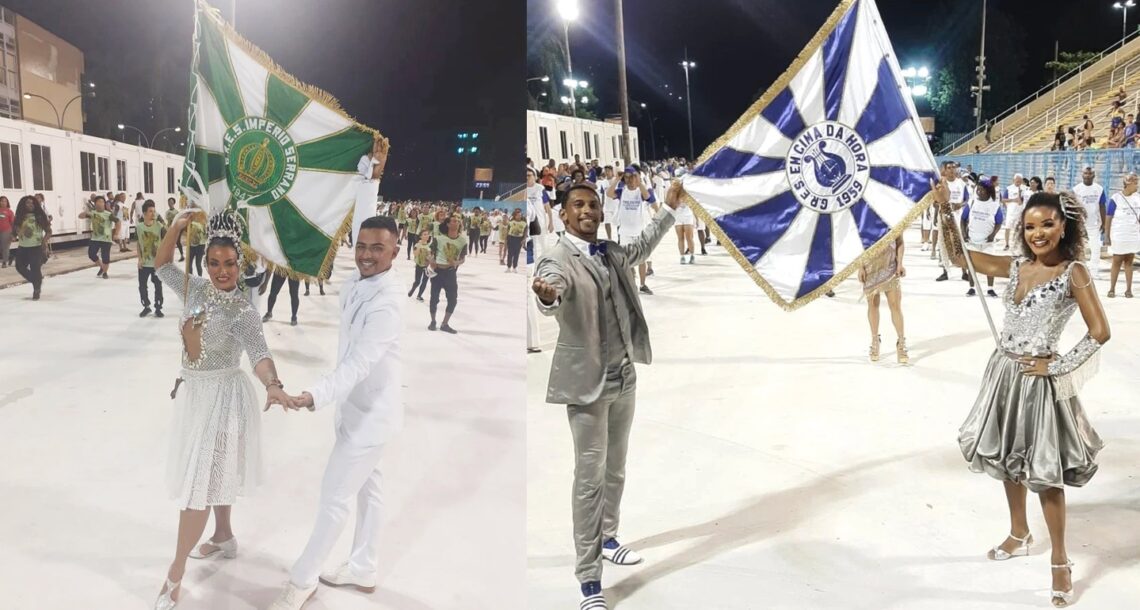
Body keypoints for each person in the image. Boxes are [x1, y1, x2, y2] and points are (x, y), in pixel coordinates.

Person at [942, 179, 1109, 609]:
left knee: (1045, 474)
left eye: (1047, 224)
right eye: (1031, 226)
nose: (1038, 234)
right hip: (1004, 375)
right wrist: (945, 211)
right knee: (1007, 460)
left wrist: (1056, 366)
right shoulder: (1016, 267)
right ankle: (1020, 532)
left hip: (1039, 384)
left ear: (1064, 227)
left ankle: (1059, 560)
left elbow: (1100, 332)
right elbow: (960, 256)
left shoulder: (1075, 272)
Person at [531, 180, 681, 610]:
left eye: (593, 205)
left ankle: (609, 536)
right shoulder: (557, 258)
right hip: (587, 387)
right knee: (589, 480)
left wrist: (668, 211)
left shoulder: (611, 252)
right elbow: (551, 288)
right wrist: (547, 297)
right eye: (577, 205)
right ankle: (589, 580)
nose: (588, 211)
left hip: (623, 377)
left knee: (616, 467)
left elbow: (641, 248)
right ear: (562, 214)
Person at [151, 209, 289, 610]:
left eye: (229, 263)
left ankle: (174, 576)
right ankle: (224, 537)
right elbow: (160, 265)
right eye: (214, 262)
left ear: (240, 263)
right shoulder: (194, 290)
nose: (222, 271)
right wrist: (176, 227)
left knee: (199, 488)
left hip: (225, 401)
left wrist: (274, 384)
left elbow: (260, 354)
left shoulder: (243, 311)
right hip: (196, 396)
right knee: (215, 474)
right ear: (205, 262)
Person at [266, 216, 403, 610]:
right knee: (370, 491)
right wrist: (369, 177)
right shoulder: (358, 285)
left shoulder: (387, 305)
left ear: (395, 250)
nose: (366, 255)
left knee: (334, 498)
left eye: (378, 248)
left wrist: (314, 395)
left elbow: (359, 363)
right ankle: (364, 567)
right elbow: (364, 208)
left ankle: (302, 578)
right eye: (361, 246)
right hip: (356, 410)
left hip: (371, 419)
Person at [607, 166, 659, 294]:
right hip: (625, 231)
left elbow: (648, 197)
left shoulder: (641, 192)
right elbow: (609, 194)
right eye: (628, 177)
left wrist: (639, 181)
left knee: (642, 259)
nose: (630, 180)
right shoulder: (621, 191)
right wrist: (616, 179)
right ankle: (632, 284)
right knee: (627, 259)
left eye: (633, 177)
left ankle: (643, 284)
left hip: (639, 230)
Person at [859, 236, 908, 364]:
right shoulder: (865, 218)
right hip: (870, 266)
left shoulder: (892, 219)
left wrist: (900, 263)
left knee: (895, 305)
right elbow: (858, 242)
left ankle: (901, 342)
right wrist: (860, 267)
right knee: (873, 305)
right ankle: (875, 340)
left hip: (890, 265)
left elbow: (900, 241)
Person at [962, 177, 1005, 297]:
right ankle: (971, 288)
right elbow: (963, 219)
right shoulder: (972, 202)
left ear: (989, 191)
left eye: (982, 190)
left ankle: (990, 288)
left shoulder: (994, 206)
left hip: (987, 242)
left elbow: (999, 222)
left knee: (990, 265)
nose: (979, 192)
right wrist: (964, 234)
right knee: (971, 265)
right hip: (972, 239)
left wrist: (992, 235)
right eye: (978, 190)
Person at [428, 216, 467, 333]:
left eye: (458, 221)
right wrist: (431, 261)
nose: (457, 222)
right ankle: (433, 321)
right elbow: (429, 254)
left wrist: (456, 262)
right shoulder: (439, 239)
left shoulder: (462, 241)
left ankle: (445, 323)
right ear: (448, 224)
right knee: (434, 298)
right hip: (437, 272)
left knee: (453, 299)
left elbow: (463, 258)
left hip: (450, 273)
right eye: (454, 221)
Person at [1105, 172, 1140, 297]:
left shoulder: (1138, 198)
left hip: (1133, 234)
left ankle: (1128, 290)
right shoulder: (1116, 198)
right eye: (1135, 182)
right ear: (1127, 183)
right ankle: (1112, 288)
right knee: (1117, 261)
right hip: (1119, 234)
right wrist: (1106, 234)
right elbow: (1109, 217)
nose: (1137, 184)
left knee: (1129, 261)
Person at [1071, 166, 1107, 278]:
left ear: (1094, 175)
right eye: (1085, 173)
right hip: (1080, 223)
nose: (1087, 175)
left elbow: (1102, 206)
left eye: (1090, 173)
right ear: (1082, 175)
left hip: (1094, 223)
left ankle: (1094, 271)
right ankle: (1080, 270)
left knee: (1095, 247)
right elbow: (1072, 207)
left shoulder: (1099, 189)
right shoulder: (1076, 189)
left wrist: (1104, 223)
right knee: (1078, 247)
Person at [12, 195, 50, 300]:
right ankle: (36, 280)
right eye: (28, 203)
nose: (30, 205)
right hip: (22, 247)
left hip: (36, 247)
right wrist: (13, 236)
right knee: (19, 267)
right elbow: (14, 232)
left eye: (32, 203)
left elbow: (48, 231)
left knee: (35, 268)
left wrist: (44, 241)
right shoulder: (19, 217)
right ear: (23, 205)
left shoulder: (40, 216)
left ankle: (36, 289)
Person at [137, 200, 167, 318]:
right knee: (142, 286)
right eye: (150, 211)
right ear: (144, 213)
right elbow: (139, 244)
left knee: (158, 286)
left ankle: (158, 307)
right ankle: (146, 306)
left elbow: (167, 238)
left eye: (154, 211)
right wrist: (139, 259)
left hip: (157, 264)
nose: (153, 213)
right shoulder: (139, 227)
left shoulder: (159, 226)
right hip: (144, 263)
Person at [79, 195, 119, 279]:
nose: (100, 204)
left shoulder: (108, 214)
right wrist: (85, 213)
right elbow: (80, 216)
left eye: (102, 202)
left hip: (106, 239)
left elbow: (118, 222)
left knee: (106, 257)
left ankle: (105, 272)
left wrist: (116, 234)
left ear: (104, 204)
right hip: (95, 238)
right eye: (98, 202)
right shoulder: (93, 213)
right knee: (91, 254)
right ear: (95, 203)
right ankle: (101, 266)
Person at [408, 228, 432, 301]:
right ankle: (413, 289)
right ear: (421, 236)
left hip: (427, 266)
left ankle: (419, 295)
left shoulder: (429, 246)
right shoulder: (417, 245)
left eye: (427, 234)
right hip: (419, 265)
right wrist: (420, 245)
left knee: (425, 281)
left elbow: (431, 257)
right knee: (417, 281)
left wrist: (429, 258)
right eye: (424, 234)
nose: (427, 236)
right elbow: (415, 254)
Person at [505, 208, 526, 272]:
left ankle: (514, 267)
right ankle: (508, 267)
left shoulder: (524, 223)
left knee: (516, 254)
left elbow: (525, 231)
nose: (520, 216)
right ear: (515, 216)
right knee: (510, 254)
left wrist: (524, 239)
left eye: (520, 215)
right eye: (518, 215)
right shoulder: (511, 222)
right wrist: (506, 240)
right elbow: (507, 231)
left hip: (519, 239)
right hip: (511, 238)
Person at [0, 195, 13, 268]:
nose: (3, 202)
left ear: (7, 202)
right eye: (1, 201)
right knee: (1, 247)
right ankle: (10, 257)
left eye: (5, 201)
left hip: (7, 231)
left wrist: (14, 234)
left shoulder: (9, 211)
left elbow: (12, 223)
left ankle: (4, 262)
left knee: (5, 247)